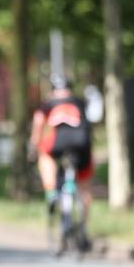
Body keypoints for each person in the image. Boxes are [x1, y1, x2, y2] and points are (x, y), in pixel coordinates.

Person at [29, 75, 94, 220]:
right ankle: (84, 227)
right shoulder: (79, 102)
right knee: (85, 185)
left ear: (53, 90)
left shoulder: (49, 103)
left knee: (44, 155)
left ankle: (51, 193)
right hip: (82, 141)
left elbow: (38, 121)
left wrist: (34, 145)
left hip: (59, 139)